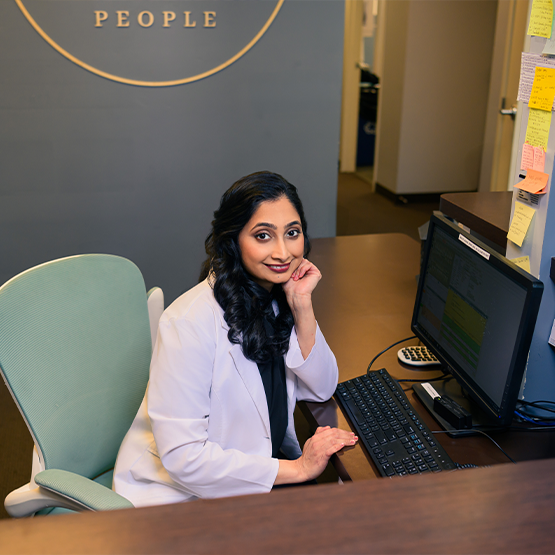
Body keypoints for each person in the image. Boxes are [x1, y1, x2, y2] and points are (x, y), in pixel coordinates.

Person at [113, 171, 357, 507]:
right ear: (233, 240)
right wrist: (299, 469)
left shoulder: (277, 297)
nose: (284, 252)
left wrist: (302, 305)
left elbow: (322, 386)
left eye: (292, 233)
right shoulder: (188, 323)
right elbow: (185, 459)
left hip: (251, 476)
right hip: (183, 496)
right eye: (263, 236)